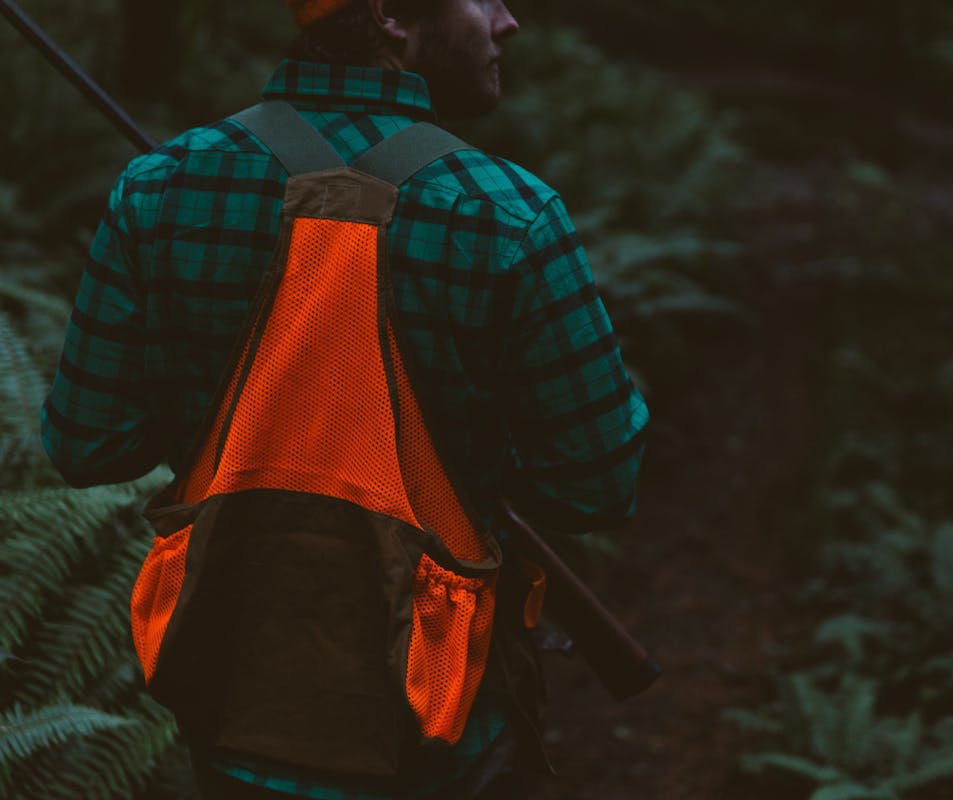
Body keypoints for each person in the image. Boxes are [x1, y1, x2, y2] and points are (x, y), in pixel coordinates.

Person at [40, 0, 649, 797]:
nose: (508, 21)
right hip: (439, 715)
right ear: (393, 14)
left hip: (230, 697)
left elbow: (90, 445)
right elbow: (597, 485)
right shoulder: (509, 214)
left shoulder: (159, 190)